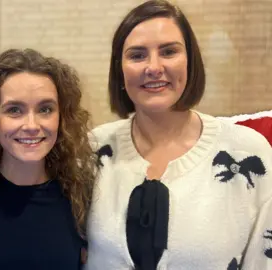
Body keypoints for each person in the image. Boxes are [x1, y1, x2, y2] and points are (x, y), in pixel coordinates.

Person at [85, 1, 272, 269]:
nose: (153, 67)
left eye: (169, 51)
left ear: (191, 61)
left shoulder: (249, 152)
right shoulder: (91, 150)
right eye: (137, 55)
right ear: (120, 70)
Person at [0, 48, 96, 270]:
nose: (32, 126)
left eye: (45, 109)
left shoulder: (81, 193)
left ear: (61, 117)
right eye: (14, 110)